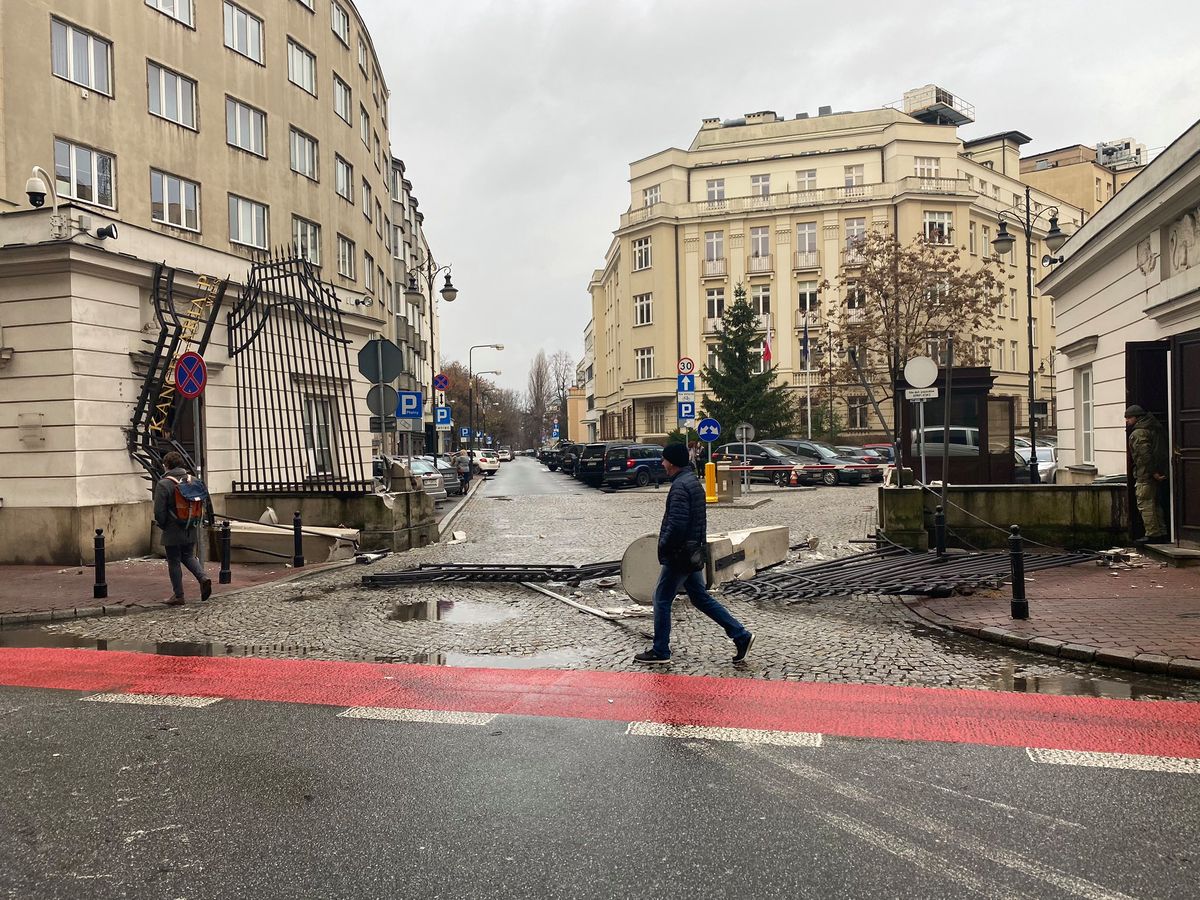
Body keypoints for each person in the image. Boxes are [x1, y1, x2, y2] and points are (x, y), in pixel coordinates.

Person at [634, 442, 754, 665]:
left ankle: (661, 651)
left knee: (660, 598)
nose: (662, 463)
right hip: (692, 553)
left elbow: (677, 525)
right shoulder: (692, 483)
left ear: (672, 462)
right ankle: (741, 635)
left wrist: (664, 545)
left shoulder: (680, 487)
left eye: (664, 460)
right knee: (700, 598)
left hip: (679, 555)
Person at [153, 451, 211, 605]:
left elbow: (159, 511)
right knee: (188, 555)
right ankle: (203, 577)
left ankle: (178, 595)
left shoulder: (164, 483)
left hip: (172, 528)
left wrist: (163, 524)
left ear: (167, 465)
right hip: (190, 525)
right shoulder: (194, 480)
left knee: (174, 561)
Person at [1125, 404, 1169, 543]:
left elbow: (1144, 455)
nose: (1126, 421)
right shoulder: (1155, 428)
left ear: (1137, 418)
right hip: (1157, 471)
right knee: (1155, 504)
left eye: (1128, 418)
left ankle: (1153, 534)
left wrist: (1153, 472)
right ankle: (1161, 533)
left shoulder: (1139, 433)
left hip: (1146, 474)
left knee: (1145, 503)